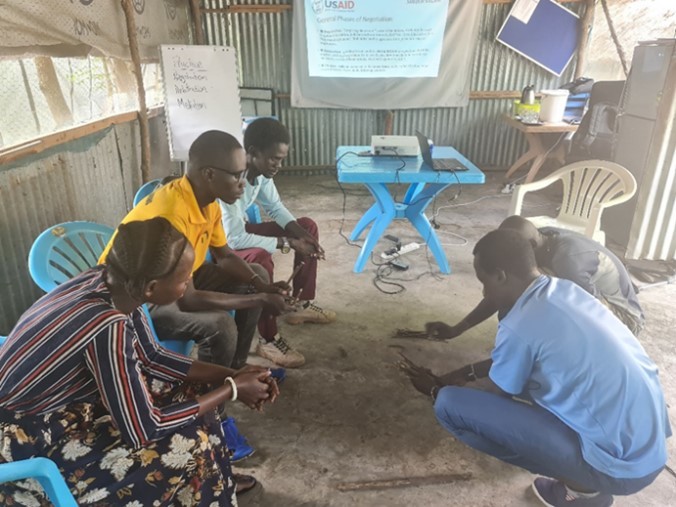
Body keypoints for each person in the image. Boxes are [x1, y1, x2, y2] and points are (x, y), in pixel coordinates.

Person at [0, 218, 279, 506]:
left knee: (191, 393)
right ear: (152, 288)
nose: (187, 286)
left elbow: (151, 357)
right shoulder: (107, 324)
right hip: (25, 445)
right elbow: (144, 430)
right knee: (191, 444)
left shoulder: (111, 282)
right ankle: (203, 487)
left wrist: (231, 375)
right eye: (185, 280)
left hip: (56, 408)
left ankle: (216, 485)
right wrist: (232, 388)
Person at [401, 229, 670, 507]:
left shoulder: (520, 323)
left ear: (501, 276)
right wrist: (466, 372)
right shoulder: (562, 291)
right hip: (649, 446)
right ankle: (581, 471)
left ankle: (581, 490)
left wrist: (435, 389)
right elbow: (518, 357)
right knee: (536, 379)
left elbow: (496, 399)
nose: (484, 291)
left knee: (450, 405)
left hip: (621, 468)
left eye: (484, 282)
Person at [99, 130, 294, 371]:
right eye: (236, 175)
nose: (243, 183)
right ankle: (213, 398)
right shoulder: (173, 216)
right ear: (209, 174)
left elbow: (225, 256)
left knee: (257, 275)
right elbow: (189, 300)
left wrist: (262, 287)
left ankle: (236, 370)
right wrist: (260, 298)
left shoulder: (206, 201)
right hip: (139, 299)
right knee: (220, 326)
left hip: (178, 279)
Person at [220, 117, 336, 368]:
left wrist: (302, 235)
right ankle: (268, 337)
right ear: (252, 152)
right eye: (274, 158)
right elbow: (234, 239)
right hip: (220, 247)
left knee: (307, 226)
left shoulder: (260, 174)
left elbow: (274, 207)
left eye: (282, 159)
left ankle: (301, 303)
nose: (279, 165)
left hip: (236, 232)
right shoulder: (230, 179)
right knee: (261, 258)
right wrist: (289, 243)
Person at [426, 216, 644, 340]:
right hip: (592, 304)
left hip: (623, 321)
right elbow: (498, 291)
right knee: (517, 295)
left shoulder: (567, 261)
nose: (485, 290)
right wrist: (458, 329)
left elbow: (591, 317)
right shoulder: (541, 237)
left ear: (528, 246)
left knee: (526, 300)